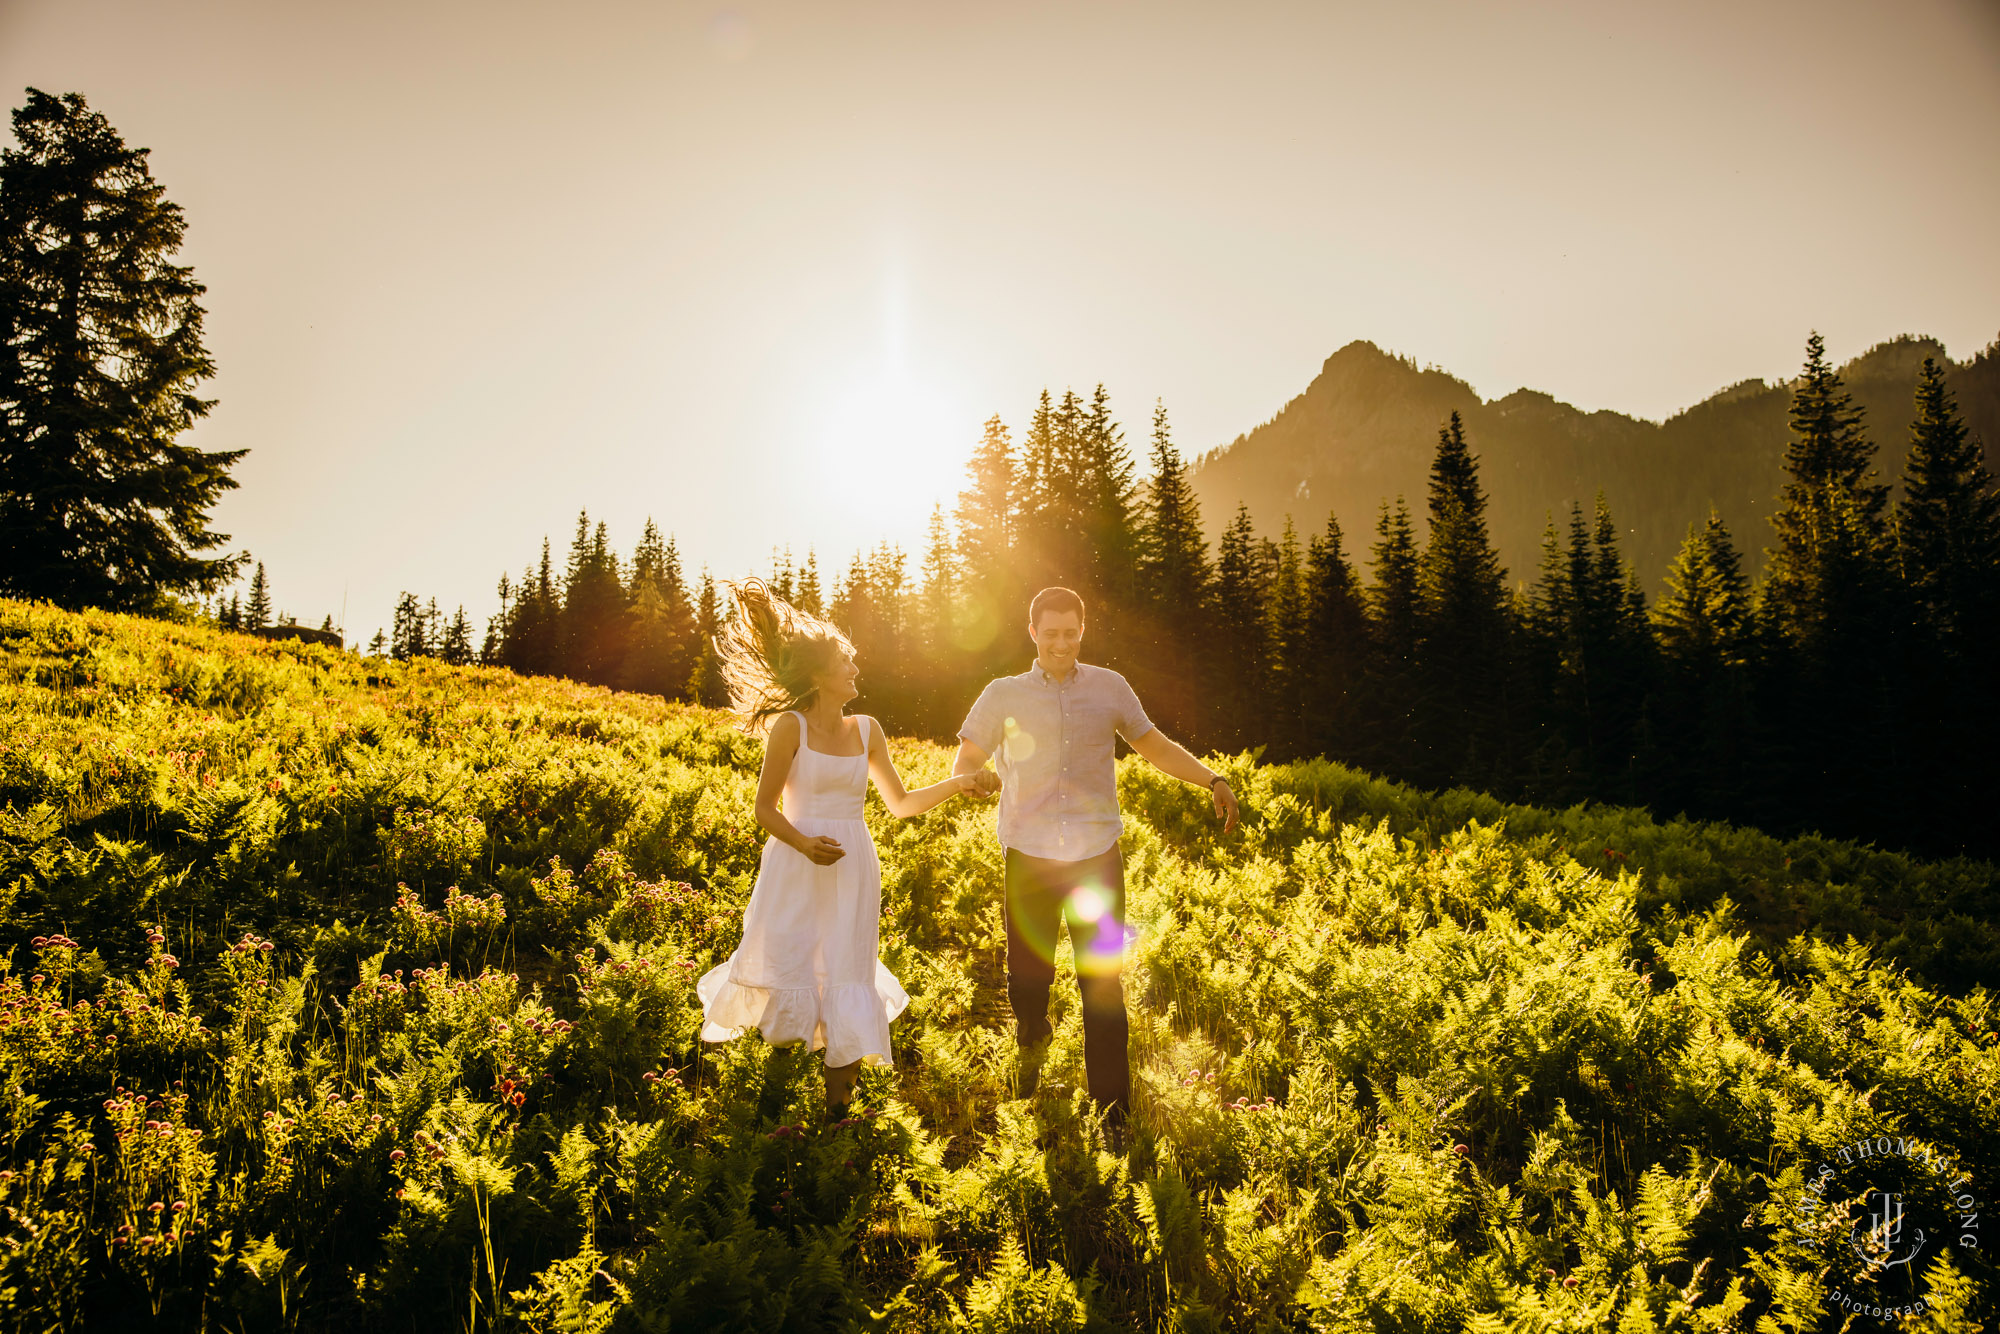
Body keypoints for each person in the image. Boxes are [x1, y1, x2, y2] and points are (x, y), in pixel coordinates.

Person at [697, 580, 998, 1122]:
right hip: (796, 865)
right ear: (818, 676)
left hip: (853, 867)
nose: (856, 670)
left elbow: (901, 804)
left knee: (846, 977)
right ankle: (771, 1118)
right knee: (792, 973)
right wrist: (803, 842)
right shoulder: (789, 727)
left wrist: (959, 784)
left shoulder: (868, 730)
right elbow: (765, 809)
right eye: (846, 663)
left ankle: (837, 1122)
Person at [952, 586, 1239, 1153]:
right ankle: (1032, 1032)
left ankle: (1112, 1109)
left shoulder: (1110, 688)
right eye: (1050, 633)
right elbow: (966, 755)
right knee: (1029, 977)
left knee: (1103, 983)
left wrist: (1212, 778)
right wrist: (973, 775)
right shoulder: (1002, 694)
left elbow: (1153, 745)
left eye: (1071, 632)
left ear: (1082, 630)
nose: (1061, 642)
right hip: (1029, 859)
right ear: (1032, 633)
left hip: (1095, 861)